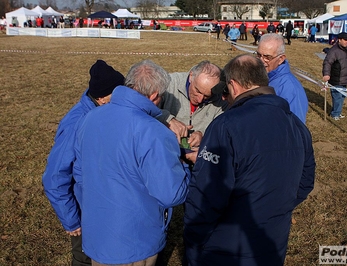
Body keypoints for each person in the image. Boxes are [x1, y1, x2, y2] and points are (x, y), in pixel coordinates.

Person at [184, 54, 316, 266]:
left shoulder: (225, 126)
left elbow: (206, 197)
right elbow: (305, 182)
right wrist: (273, 210)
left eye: (225, 91)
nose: (224, 98)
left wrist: (193, 241)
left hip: (224, 251)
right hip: (272, 244)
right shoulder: (298, 126)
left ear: (234, 86)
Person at [73, 60, 191, 266]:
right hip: (135, 243)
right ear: (155, 95)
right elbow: (171, 194)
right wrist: (184, 165)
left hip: (97, 234)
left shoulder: (90, 117)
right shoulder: (154, 131)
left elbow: (80, 173)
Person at [42, 60, 125, 266]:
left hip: (103, 204)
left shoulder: (104, 111)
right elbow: (54, 176)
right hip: (83, 210)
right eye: (119, 93)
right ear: (102, 97)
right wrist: (71, 220)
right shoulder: (76, 123)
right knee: (85, 257)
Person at [157, 60, 228, 148]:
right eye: (197, 91)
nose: (200, 99)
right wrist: (168, 119)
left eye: (207, 96)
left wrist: (203, 135)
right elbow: (143, 108)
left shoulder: (222, 99)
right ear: (191, 76)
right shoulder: (169, 84)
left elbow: (221, 129)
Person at [257, 33, 309, 123]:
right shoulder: (261, 75)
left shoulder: (291, 89)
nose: (260, 61)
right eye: (258, 55)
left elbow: (296, 128)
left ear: (281, 59)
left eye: (267, 57)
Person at [322, 32, 347, 121]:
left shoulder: (346, 50)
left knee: (342, 96)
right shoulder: (334, 51)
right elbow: (327, 62)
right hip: (336, 78)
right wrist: (326, 74)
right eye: (345, 40)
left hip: (344, 78)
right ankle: (335, 114)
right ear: (339, 40)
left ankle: (338, 112)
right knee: (337, 97)